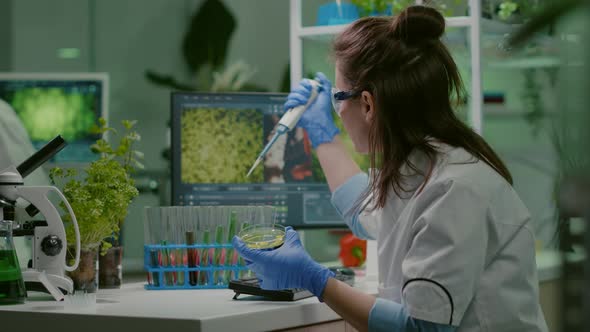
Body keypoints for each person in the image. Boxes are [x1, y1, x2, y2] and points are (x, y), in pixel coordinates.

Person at [233, 5, 548, 332]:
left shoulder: (454, 188)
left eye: (338, 98)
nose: (337, 110)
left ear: (368, 103)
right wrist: (321, 133)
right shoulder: (422, 169)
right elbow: (363, 212)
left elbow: (421, 328)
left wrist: (316, 280)